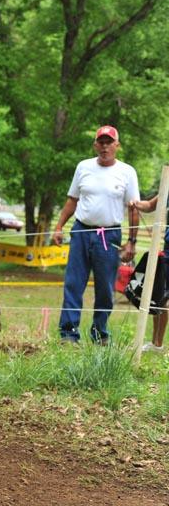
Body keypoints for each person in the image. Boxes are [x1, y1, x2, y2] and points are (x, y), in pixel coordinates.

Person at [51, 125, 139, 344]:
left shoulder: (127, 172)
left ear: (117, 145)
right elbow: (72, 199)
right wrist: (59, 226)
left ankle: (100, 333)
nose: (105, 146)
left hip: (108, 235)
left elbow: (133, 208)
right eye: (101, 142)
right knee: (73, 283)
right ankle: (68, 334)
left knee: (105, 288)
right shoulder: (84, 167)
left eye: (109, 142)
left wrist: (131, 241)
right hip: (81, 231)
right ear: (95, 145)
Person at [129, 194, 168, 353]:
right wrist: (137, 204)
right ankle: (156, 344)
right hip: (168, 251)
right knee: (161, 297)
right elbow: (150, 205)